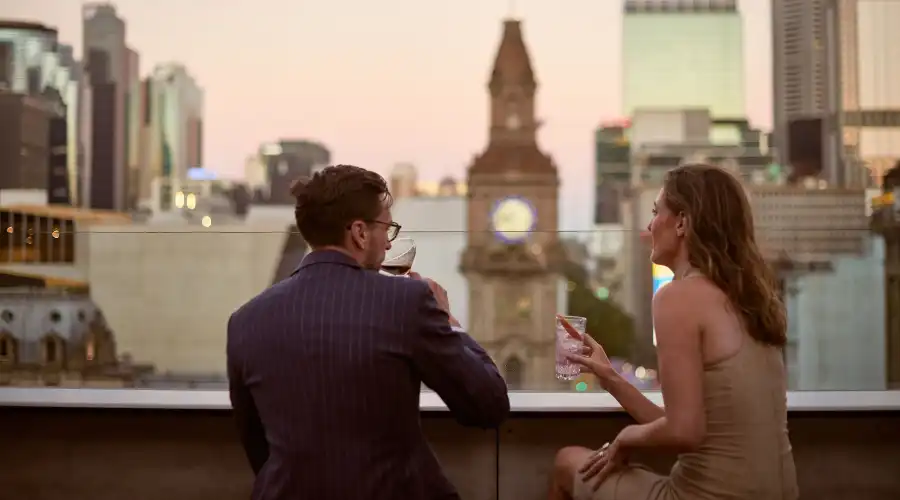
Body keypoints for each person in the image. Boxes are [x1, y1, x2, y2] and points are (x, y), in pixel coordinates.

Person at [227, 165, 510, 500]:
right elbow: (488, 405)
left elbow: (257, 445)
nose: (388, 247)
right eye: (387, 230)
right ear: (360, 233)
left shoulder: (245, 320)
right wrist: (447, 320)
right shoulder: (406, 302)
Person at [551, 164, 798, 500]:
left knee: (567, 463)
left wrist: (626, 438)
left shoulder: (676, 297)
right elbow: (685, 422)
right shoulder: (749, 298)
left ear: (682, 222)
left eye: (656, 212)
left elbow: (684, 432)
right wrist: (609, 376)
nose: (650, 225)